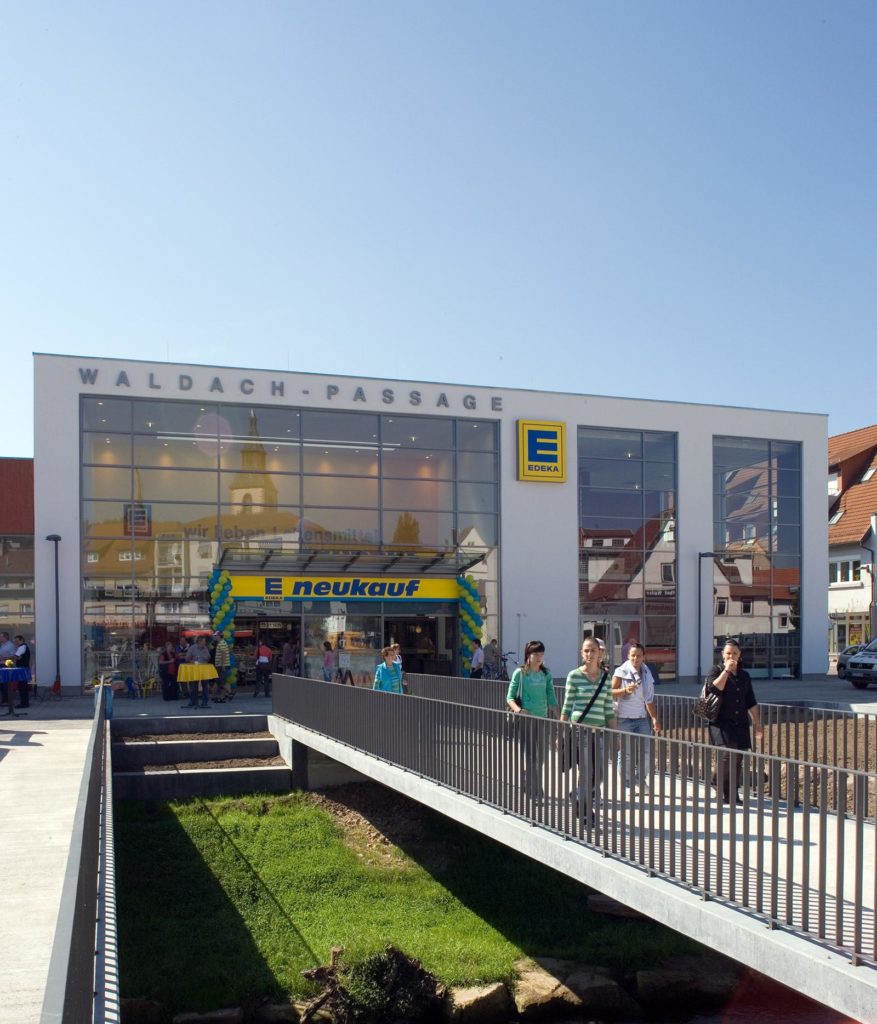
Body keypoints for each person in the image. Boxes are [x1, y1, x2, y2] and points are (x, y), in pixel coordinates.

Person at [561, 638, 615, 819]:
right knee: (586, 772)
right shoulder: (574, 676)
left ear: (600, 653)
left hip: (599, 732)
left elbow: (608, 708)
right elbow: (567, 706)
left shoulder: (606, 678)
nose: (589, 654)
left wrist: (615, 736)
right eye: (586, 650)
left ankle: (577, 795)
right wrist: (562, 732)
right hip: (580, 731)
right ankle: (585, 812)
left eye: (593, 650)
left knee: (600, 774)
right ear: (581, 653)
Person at [705, 640, 763, 804]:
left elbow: (750, 700)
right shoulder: (715, 670)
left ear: (740, 655)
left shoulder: (744, 675)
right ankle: (718, 785)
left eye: (735, 653)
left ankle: (732, 793)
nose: (731, 656)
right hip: (721, 722)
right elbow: (714, 688)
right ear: (723, 655)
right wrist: (726, 671)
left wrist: (757, 722)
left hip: (740, 722)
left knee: (738, 758)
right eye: (728, 653)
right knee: (726, 755)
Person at [506, 640, 558, 799]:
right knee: (530, 756)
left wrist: (561, 718)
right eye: (535, 654)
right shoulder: (520, 673)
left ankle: (527, 777)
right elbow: (509, 697)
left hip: (542, 719)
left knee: (541, 756)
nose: (539, 657)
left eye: (541, 654)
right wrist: (519, 710)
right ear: (528, 655)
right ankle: (535, 789)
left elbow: (551, 697)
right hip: (526, 720)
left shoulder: (546, 674)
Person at [611, 642, 661, 790]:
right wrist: (625, 691)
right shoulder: (621, 671)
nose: (635, 658)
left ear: (643, 657)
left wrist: (654, 719)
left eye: (638, 655)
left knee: (647, 753)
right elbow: (610, 692)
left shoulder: (646, 672)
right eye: (633, 655)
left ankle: (639, 780)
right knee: (626, 754)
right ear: (628, 656)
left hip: (641, 718)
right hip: (624, 719)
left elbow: (649, 699)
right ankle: (627, 784)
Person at [184, 635, 212, 708]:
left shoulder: (205, 648)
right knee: (193, 685)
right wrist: (191, 661)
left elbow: (209, 657)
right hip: (194, 670)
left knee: (205, 685)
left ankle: (204, 702)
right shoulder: (192, 648)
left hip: (204, 669)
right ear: (200, 641)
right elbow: (186, 658)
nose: (205, 642)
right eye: (204, 641)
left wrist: (207, 657)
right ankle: (193, 702)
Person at [13, 635, 31, 708]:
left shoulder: (22, 647)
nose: (16, 642)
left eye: (17, 641)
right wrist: (18, 657)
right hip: (23, 668)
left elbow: (15, 657)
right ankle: (25, 703)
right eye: (15, 641)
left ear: (22, 640)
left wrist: (17, 657)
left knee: (22, 686)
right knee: (22, 686)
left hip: (22, 669)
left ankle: (24, 703)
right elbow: (17, 657)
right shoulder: (23, 647)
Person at [213, 631, 231, 701]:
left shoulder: (221, 643)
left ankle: (230, 692)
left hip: (221, 665)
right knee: (219, 681)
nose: (214, 637)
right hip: (220, 665)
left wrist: (223, 665)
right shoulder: (221, 643)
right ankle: (220, 696)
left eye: (215, 636)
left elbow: (223, 654)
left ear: (219, 636)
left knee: (221, 682)